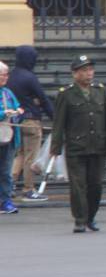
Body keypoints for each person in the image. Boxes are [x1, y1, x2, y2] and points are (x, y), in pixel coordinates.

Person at [50, 55, 106, 233]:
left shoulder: (100, 91)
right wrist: (55, 147)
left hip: (98, 145)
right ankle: (80, 219)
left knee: (96, 184)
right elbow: (59, 123)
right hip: (76, 146)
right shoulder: (66, 93)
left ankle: (91, 217)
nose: (89, 73)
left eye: (90, 69)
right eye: (84, 70)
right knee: (78, 185)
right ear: (75, 74)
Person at [8, 45, 55, 202]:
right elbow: (42, 99)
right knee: (31, 156)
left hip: (15, 122)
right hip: (31, 121)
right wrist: (55, 117)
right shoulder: (29, 77)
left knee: (19, 155)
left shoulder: (11, 76)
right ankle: (29, 189)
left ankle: (9, 186)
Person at [0, 61, 25, 215]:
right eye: (1, 74)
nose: (4, 77)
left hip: (8, 138)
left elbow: (18, 107)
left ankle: (6, 201)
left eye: (6, 74)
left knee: (6, 172)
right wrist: (4, 113)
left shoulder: (8, 93)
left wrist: (18, 111)